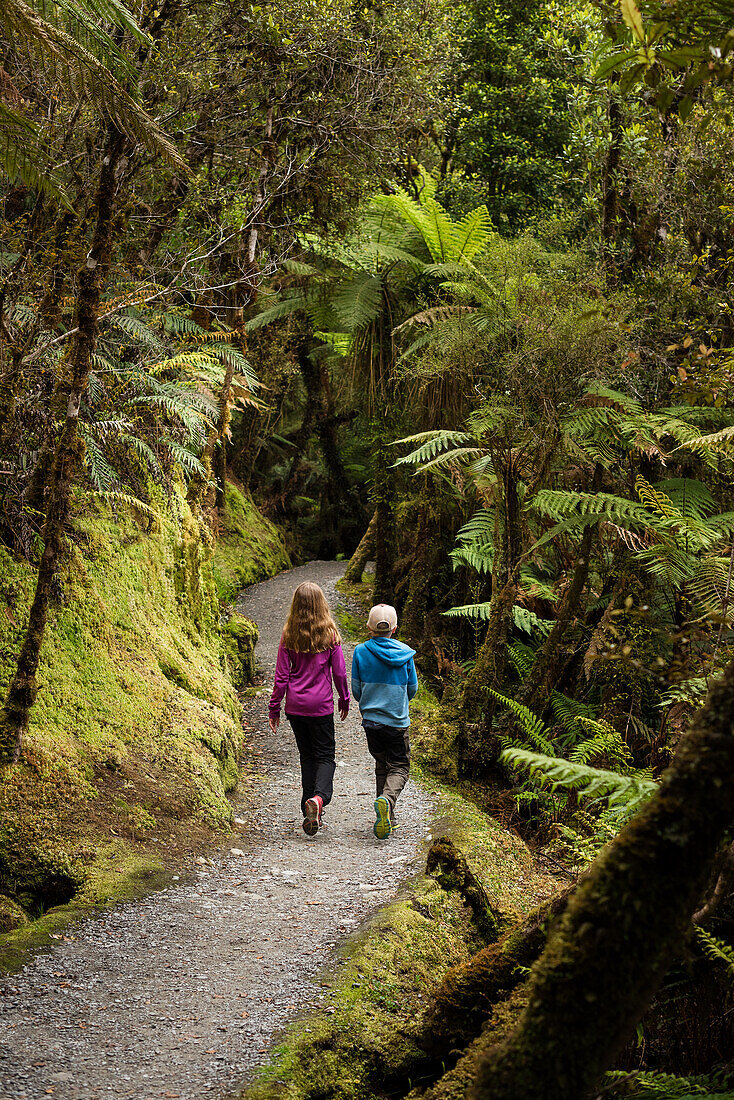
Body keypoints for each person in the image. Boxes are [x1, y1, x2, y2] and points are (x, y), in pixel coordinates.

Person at [269, 582, 349, 836]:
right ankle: (319, 800)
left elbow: (281, 676)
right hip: (321, 706)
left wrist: (275, 708)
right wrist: (344, 699)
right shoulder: (330, 634)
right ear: (321, 604)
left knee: (307, 757)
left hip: (296, 707)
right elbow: (339, 672)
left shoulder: (289, 634)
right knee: (325, 756)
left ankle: (309, 812)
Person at [351, 603, 418, 839]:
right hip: (397, 721)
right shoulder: (407, 654)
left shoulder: (360, 652)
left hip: (371, 721)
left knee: (382, 764)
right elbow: (412, 689)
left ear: (369, 628)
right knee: (399, 766)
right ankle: (387, 802)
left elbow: (356, 691)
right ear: (395, 628)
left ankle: (387, 815)